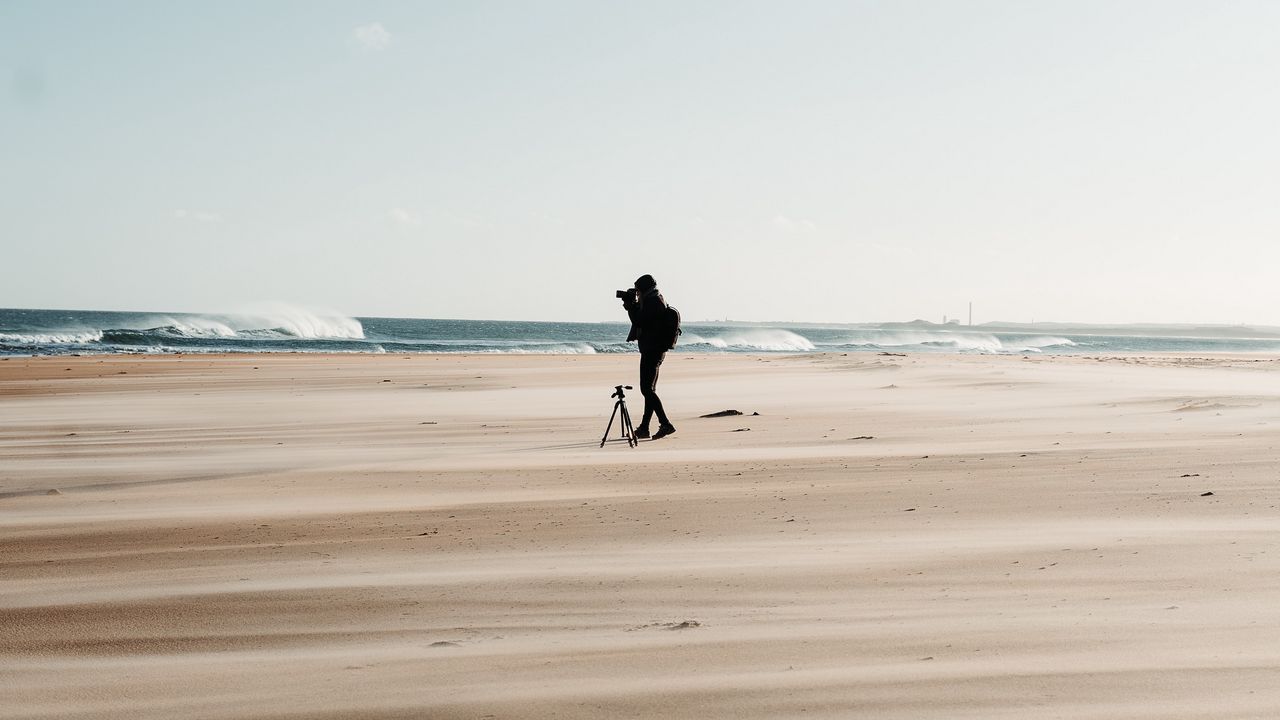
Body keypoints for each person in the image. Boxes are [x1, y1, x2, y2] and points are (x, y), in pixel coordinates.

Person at [621, 274, 676, 440]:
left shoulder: (654, 302)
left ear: (644, 289)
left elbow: (639, 321)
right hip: (653, 349)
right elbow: (644, 319)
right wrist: (634, 304)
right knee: (649, 390)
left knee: (646, 389)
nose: (637, 293)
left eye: (638, 290)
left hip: (652, 350)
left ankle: (665, 424)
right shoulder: (654, 299)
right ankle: (644, 428)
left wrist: (630, 306)